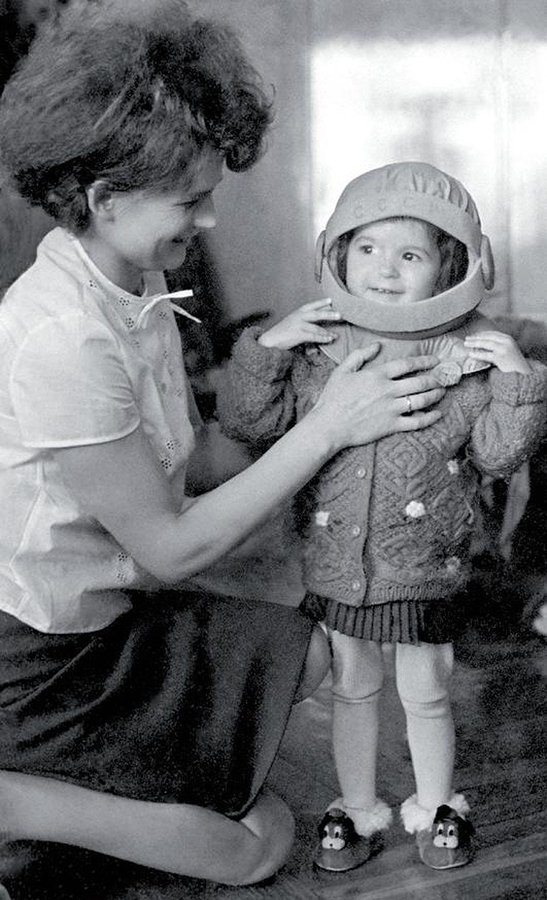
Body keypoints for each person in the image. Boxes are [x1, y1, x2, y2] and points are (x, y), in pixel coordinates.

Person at [0, 4, 448, 888]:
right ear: (105, 199)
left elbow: (198, 452)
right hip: (36, 659)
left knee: (312, 653)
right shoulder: (59, 335)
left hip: (108, 623)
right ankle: (15, 802)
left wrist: (298, 388)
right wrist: (330, 427)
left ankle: (59, 815)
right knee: (259, 843)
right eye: (190, 199)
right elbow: (170, 545)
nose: (207, 219)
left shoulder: (135, 277)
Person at [217, 161, 547, 873]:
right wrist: (268, 351)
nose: (384, 270)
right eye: (366, 248)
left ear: (453, 266)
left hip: (423, 570)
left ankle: (437, 807)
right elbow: (250, 423)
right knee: (352, 688)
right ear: (334, 252)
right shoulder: (313, 347)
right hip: (337, 569)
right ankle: (356, 808)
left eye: (409, 254)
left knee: (426, 692)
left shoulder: (466, 358)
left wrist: (515, 382)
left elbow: (495, 458)